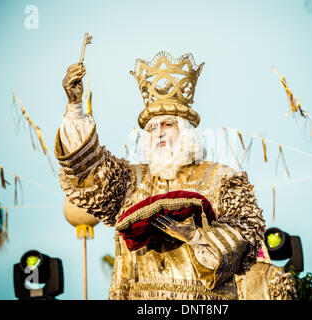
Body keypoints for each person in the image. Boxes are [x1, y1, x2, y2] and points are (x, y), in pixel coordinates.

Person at [55, 51, 268, 300]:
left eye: (167, 124)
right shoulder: (129, 181)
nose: (158, 133)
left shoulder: (222, 179)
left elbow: (245, 235)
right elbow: (87, 172)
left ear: (186, 131)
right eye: (152, 128)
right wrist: (75, 108)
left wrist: (196, 237)